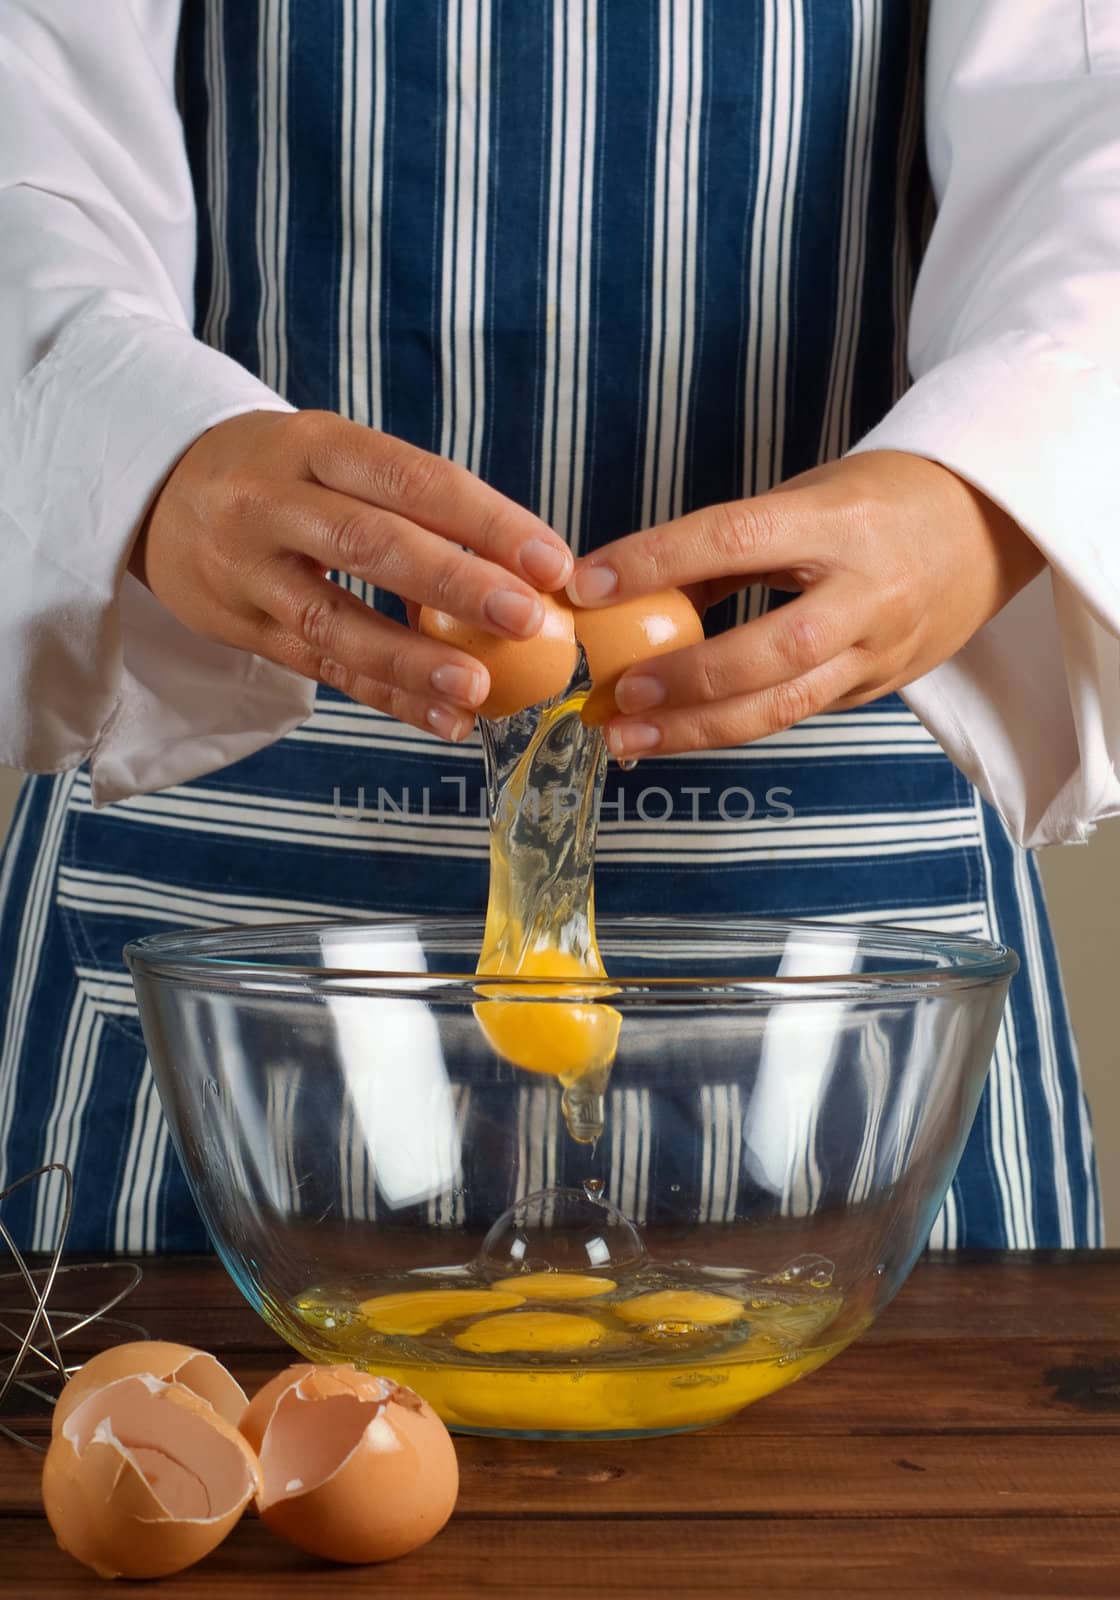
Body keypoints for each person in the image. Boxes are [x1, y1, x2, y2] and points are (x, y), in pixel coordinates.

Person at [0, 0, 1115, 1254]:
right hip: (203, 942)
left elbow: (1097, 112)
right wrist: (134, 457)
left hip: (855, 936)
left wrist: (987, 491)